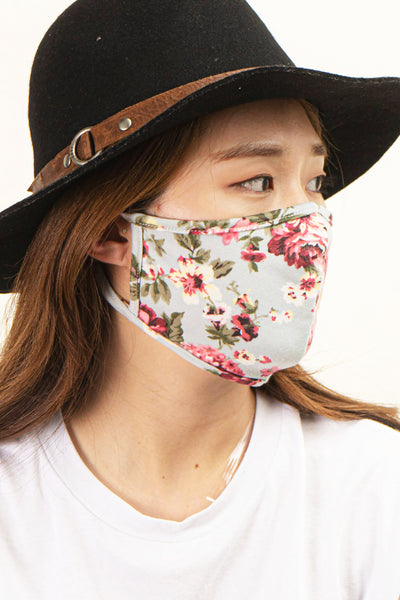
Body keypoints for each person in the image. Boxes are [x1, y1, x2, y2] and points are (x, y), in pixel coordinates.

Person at [0, 1, 399, 598]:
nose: (307, 225)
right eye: (257, 181)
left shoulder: (376, 490)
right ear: (110, 230)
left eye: (314, 182)